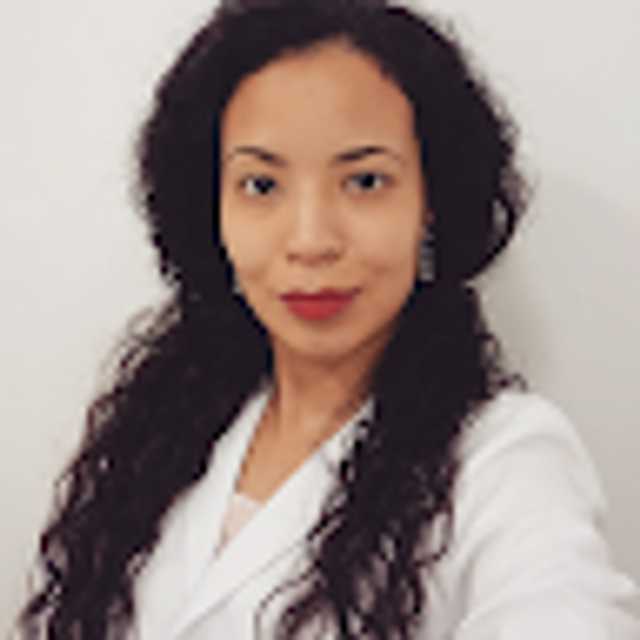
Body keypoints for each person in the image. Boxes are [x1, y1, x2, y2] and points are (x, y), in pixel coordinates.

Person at [14, 0, 640, 638]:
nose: (311, 240)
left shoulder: (504, 460)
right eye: (261, 186)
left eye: (365, 181)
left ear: (431, 204)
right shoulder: (152, 432)